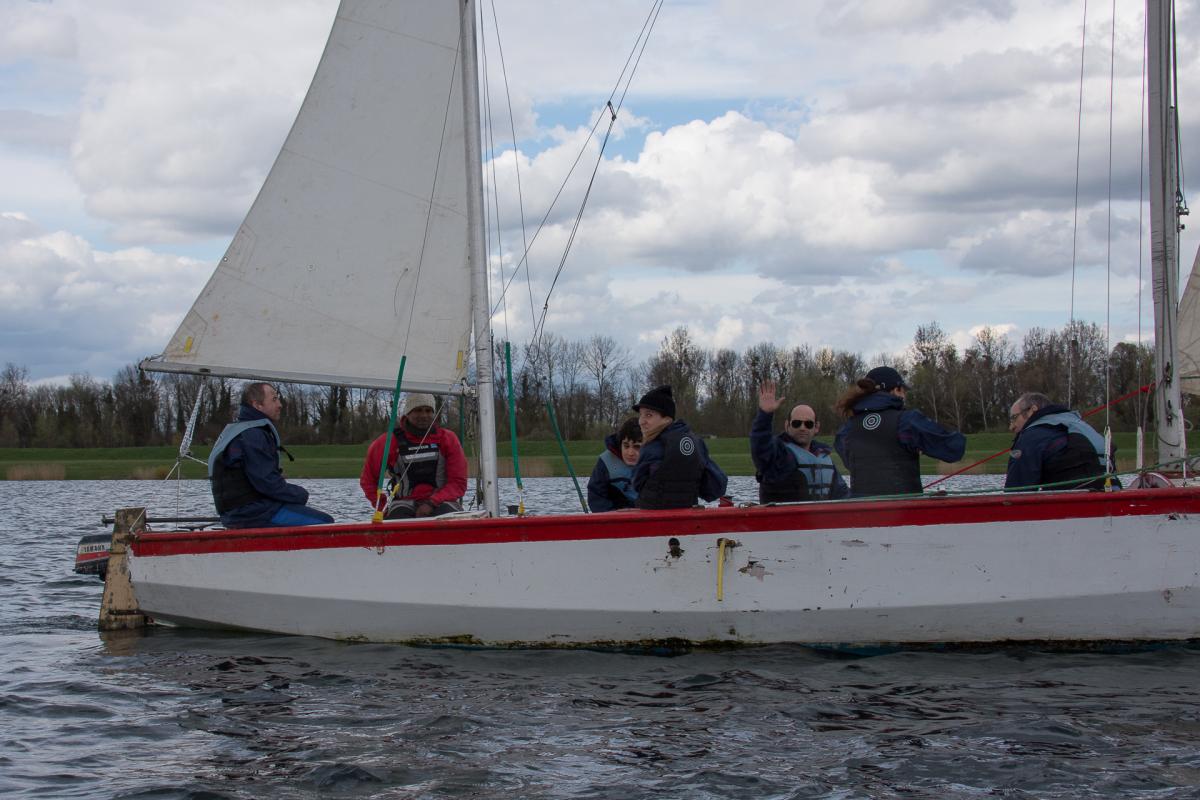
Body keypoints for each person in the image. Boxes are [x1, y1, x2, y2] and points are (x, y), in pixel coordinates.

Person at [208, 382, 334, 529]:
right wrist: (300, 495)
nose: (280, 404)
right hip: (252, 513)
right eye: (274, 399)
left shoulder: (243, 430)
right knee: (325, 524)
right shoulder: (253, 435)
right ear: (257, 405)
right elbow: (267, 483)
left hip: (239, 513)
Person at [834, 366, 965, 498]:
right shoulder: (907, 421)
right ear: (896, 389)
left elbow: (853, 462)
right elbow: (953, 449)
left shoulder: (846, 430)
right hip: (905, 507)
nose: (904, 395)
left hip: (861, 508)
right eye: (903, 390)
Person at [359, 393, 468, 519]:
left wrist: (431, 503)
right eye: (418, 410)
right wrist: (382, 506)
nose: (424, 415)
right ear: (408, 413)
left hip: (443, 501)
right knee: (397, 516)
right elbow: (368, 480)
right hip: (402, 503)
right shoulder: (388, 442)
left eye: (428, 411)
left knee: (448, 516)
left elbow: (458, 482)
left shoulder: (448, 439)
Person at [630, 385, 728, 509]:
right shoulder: (697, 443)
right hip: (688, 515)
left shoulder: (652, 447)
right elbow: (716, 488)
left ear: (666, 418)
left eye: (648, 415)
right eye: (641, 415)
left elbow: (637, 484)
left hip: (652, 515)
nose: (641, 421)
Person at [751, 380, 849, 502]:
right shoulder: (778, 456)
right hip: (786, 514)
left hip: (820, 515)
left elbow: (843, 495)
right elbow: (760, 446)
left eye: (808, 424)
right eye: (797, 423)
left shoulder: (824, 457)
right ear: (787, 425)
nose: (802, 428)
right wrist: (765, 415)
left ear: (816, 427)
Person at [1005, 391, 1118, 492]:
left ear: (1032, 410)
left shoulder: (1030, 436)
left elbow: (1016, 491)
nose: (1011, 427)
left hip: (1073, 501)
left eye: (1014, 418)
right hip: (1113, 492)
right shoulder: (1081, 426)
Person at [587, 418, 643, 512]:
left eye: (637, 447)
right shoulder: (605, 461)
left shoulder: (658, 460)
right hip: (614, 516)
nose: (630, 453)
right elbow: (596, 495)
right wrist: (611, 515)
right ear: (620, 444)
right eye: (626, 446)